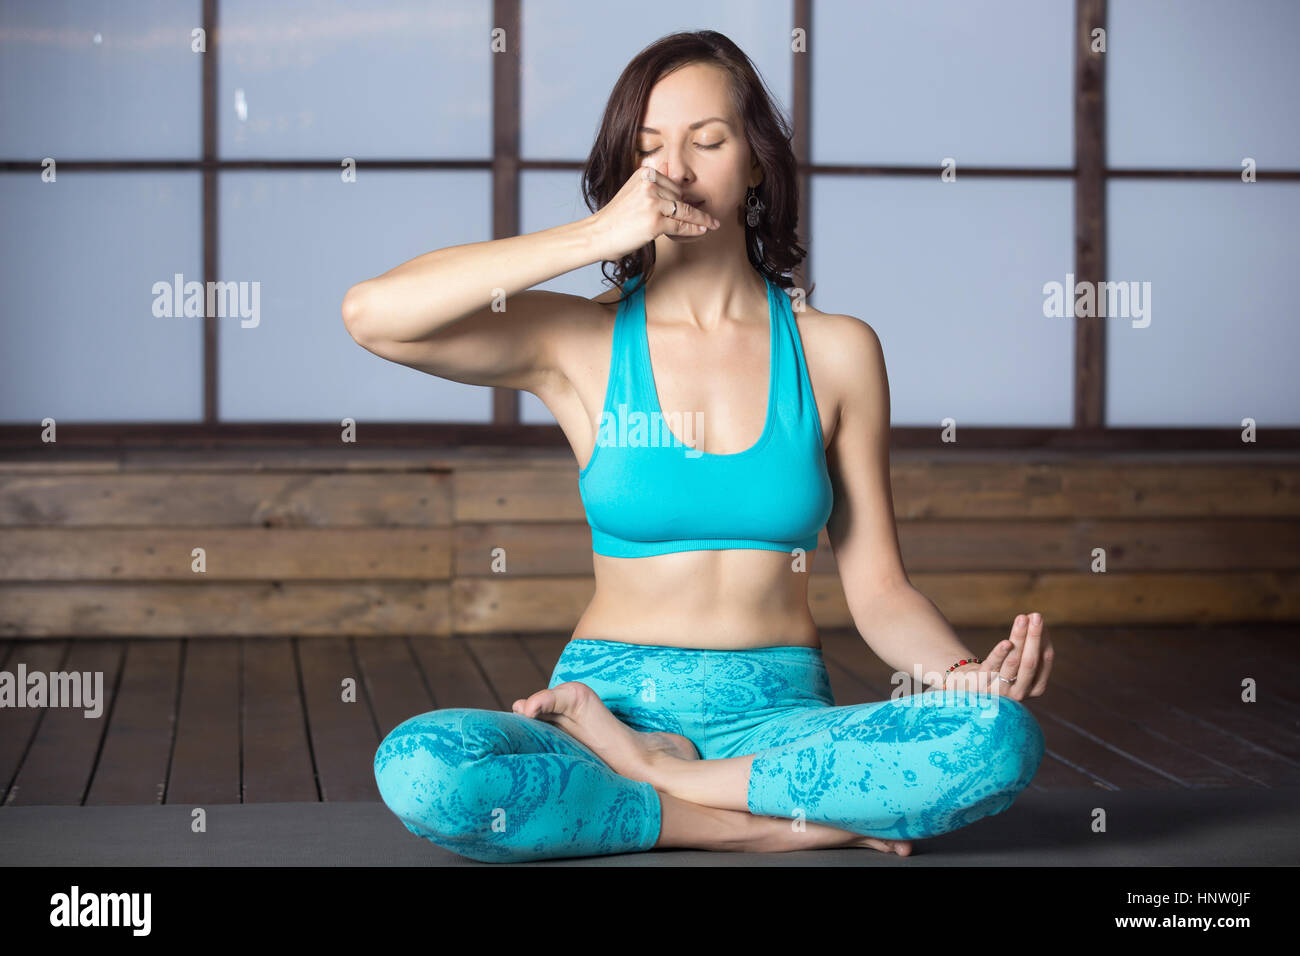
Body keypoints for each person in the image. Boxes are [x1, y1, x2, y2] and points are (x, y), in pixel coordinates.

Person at [344, 30, 1053, 864]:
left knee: (997, 738)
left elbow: (881, 590)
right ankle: (751, 823)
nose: (673, 169)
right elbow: (373, 315)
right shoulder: (581, 344)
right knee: (423, 769)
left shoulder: (836, 352)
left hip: (779, 719)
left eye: (707, 141)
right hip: (605, 704)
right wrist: (591, 238)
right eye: (648, 150)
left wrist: (961, 675)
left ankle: (653, 784)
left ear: (755, 162)